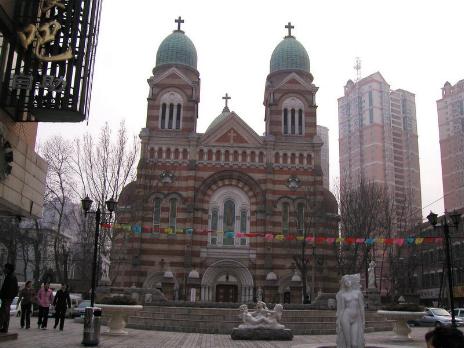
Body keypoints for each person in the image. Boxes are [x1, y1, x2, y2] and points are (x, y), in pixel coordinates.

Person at [336, 274, 365, 348]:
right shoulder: (343, 295)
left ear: (351, 281)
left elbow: (361, 307)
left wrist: (363, 320)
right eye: (345, 281)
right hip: (345, 318)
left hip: (356, 319)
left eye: (349, 280)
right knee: (348, 344)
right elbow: (341, 309)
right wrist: (338, 322)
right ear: (344, 284)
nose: (348, 282)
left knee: (354, 344)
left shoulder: (358, 293)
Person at [0, 263, 19, 333]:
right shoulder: (11, 276)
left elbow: (10, 289)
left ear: (8, 269)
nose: (4, 269)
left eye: (5, 268)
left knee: (3, 312)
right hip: (8, 298)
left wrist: (6, 296)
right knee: (6, 313)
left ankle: (2, 326)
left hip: (7, 298)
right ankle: (5, 328)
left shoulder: (11, 277)